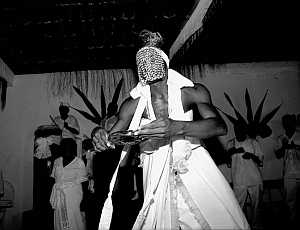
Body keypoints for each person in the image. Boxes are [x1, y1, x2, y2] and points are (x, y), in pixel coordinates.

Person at [93, 30, 249, 230]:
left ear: (164, 59)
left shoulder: (191, 91)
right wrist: (98, 134)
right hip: (154, 173)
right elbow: (112, 139)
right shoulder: (132, 104)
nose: (148, 62)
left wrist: (178, 127)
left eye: (153, 56)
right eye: (143, 57)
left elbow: (219, 126)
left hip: (195, 166)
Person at [227, 125, 264, 230]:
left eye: (241, 129)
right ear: (234, 130)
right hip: (238, 180)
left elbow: (260, 161)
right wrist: (233, 151)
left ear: (244, 130)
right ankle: (241, 227)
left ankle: (256, 226)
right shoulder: (231, 143)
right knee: (237, 207)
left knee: (256, 207)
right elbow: (227, 160)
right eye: (237, 129)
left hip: (255, 178)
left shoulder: (253, 142)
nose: (239, 131)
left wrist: (251, 156)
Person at [50, 138, 87, 230]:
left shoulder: (79, 163)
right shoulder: (57, 161)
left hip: (73, 197)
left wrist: (83, 204)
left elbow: (84, 183)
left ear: (73, 149)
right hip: (59, 196)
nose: (67, 149)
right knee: (60, 218)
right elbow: (53, 179)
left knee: (73, 219)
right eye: (64, 147)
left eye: (69, 147)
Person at [275, 114, 300, 227]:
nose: (287, 125)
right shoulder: (281, 138)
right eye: (285, 123)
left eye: (290, 122)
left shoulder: (299, 136)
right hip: (289, 174)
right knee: (290, 201)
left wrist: (296, 148)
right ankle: (292, 222)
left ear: (294, 123)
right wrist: (284, 147)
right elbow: (278, 155)